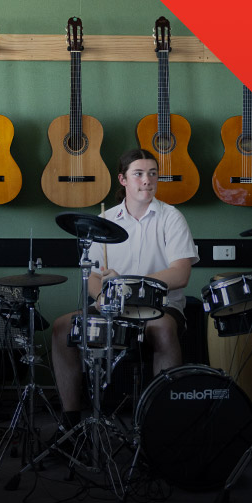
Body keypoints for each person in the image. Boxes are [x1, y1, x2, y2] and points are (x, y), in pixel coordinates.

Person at [51, 148, 199, 427]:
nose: (147, 180)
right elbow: (93, 276)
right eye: (139, 174)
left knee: (164, 329)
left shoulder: (171, 217)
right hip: (112, 308)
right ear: (123, 179)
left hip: (159, 308)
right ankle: (69, 421)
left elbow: (181, 275)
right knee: (62, 328)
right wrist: (104, 294)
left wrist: (126, 286)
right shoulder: (104, 220)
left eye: (153, 173)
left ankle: (163, 423)